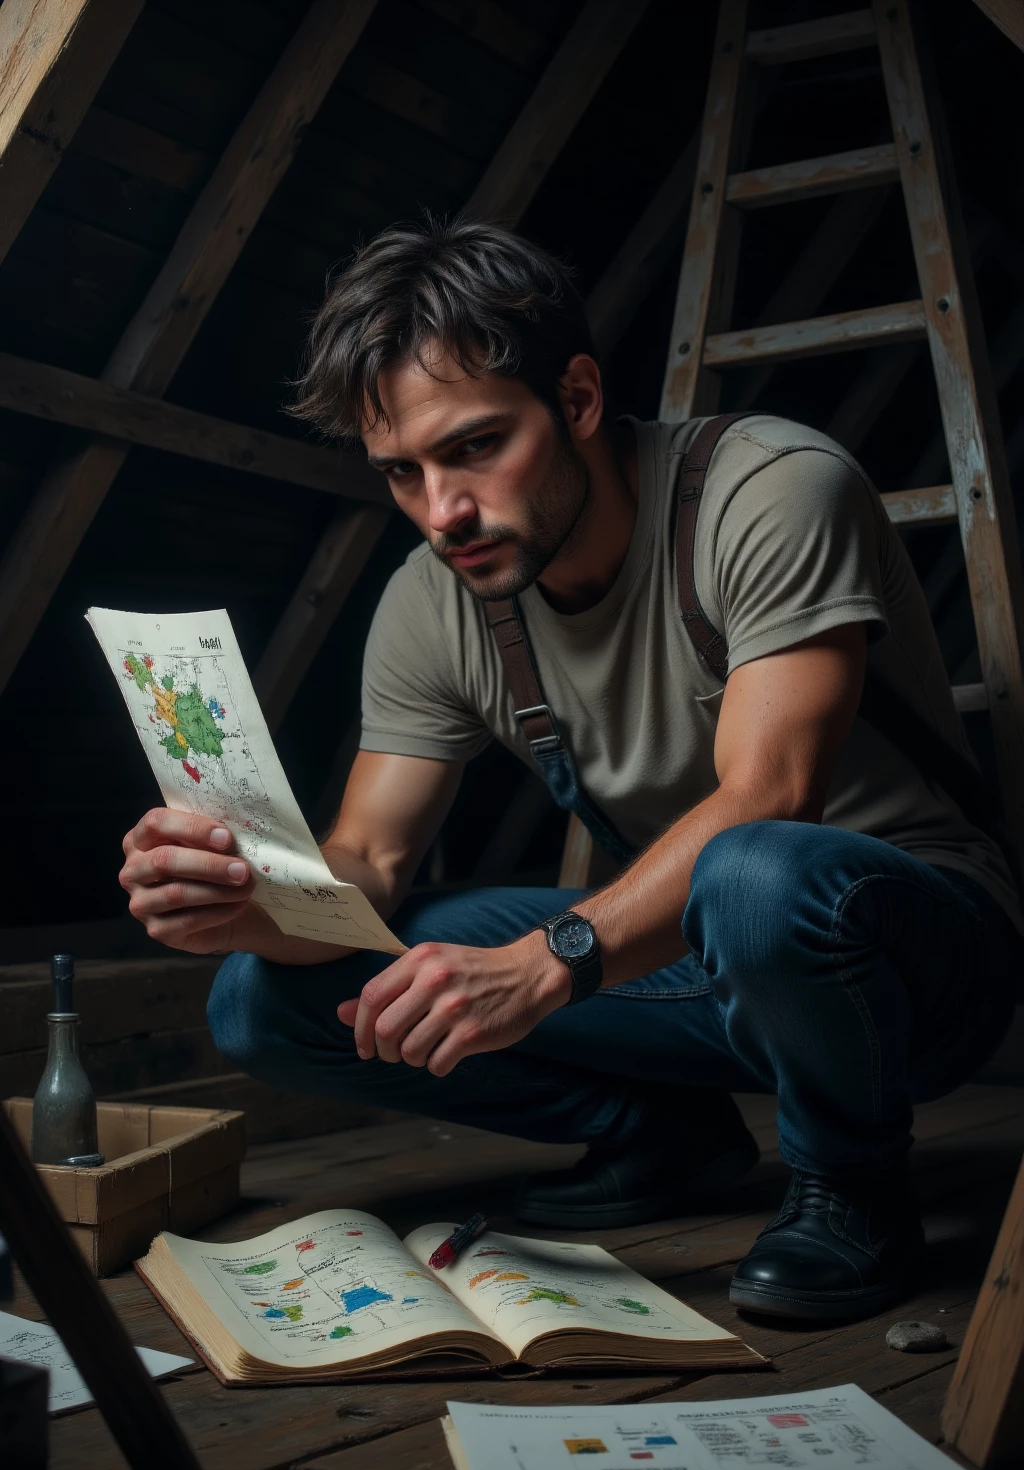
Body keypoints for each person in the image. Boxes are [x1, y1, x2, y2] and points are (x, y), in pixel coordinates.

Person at [118, 216, 1020, 1324]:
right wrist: (245, 898)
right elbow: (367, 860)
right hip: (685, 957)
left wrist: (549, 961)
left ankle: (850, 1182)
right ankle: (656, 1139)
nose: (442, 512)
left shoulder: (769, 487)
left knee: (752, 869)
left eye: (475, 447)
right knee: (264, 997)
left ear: (579, 400)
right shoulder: (429, 600)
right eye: (401, 472)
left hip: (909, 954)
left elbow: (768, 798)